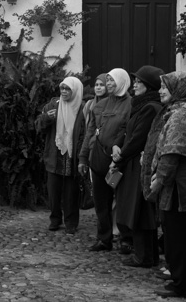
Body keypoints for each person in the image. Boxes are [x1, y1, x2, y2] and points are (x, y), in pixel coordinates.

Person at [147, 72, 186, 299]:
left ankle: (181, 286)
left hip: (179, 187)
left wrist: (158, 180)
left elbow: (172, 152)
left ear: (178, 91)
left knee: (179, 237)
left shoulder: (181, 115)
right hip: (185, 184)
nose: (160, 90)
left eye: (165, 87)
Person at [110, 65, 164, 268]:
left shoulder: (150, 107)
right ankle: (147, 255)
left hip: (139, 165)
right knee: (140, 211)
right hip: (134, 163)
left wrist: (119, 158)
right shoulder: (141, 105)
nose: (135, 85)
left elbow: (138, 139)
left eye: (139, 82)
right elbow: (128, 132)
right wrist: (118, 146)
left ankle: (143, 256)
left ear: (149, 86)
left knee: (140, 211)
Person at [78, 68, 132, 252]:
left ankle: (126, 239)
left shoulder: (132, 105)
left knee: (124, 201)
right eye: (106, 80)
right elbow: (90, 133)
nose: (108, 84)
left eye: (112, 81)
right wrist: (83, 157)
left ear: (122, 82)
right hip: (99, 159)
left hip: (121, 160)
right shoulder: (99, 106)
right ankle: (104, 238)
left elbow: (131, 133)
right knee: (101, 202)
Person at [35, 76, 85, 234]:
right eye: (62, 88)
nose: (63, 91)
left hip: (73, 155)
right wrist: (46, 118)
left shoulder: (82, 108)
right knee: (53, 190)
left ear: (75, 90)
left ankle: (71, 222)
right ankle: (55, 219)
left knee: (72, 191)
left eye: (67, 88)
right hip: (54, 154)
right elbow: (38, 127)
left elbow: (86, 131)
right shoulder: (53, 105)